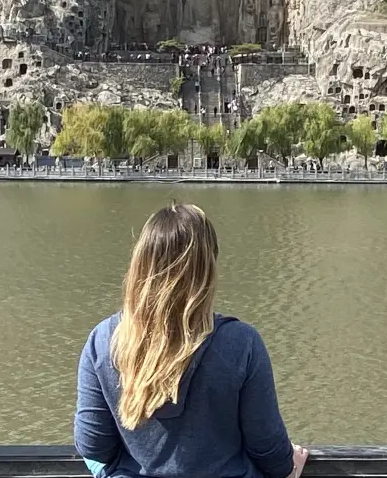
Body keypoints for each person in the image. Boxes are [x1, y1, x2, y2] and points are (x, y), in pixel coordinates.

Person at [74, 203, 308, 478]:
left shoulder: (103, 341)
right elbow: (268, 449)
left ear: (140, 265)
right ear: (208, 268)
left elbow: (92, 444)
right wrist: (289, 469)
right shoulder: (241, 343)